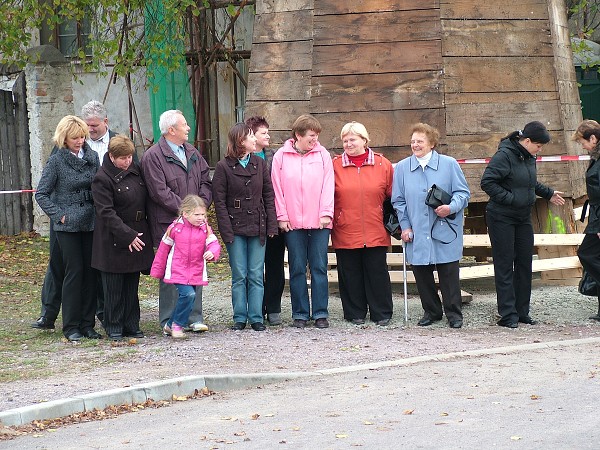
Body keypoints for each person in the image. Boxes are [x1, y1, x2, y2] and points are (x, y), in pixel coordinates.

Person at [32, 100, 117, 330]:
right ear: (64, 139)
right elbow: (41, 194)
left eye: (82, 137)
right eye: (75, 138)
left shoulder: (93, 157)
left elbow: (99, 186)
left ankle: (87, 324)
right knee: (73, 272)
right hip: (68, 226)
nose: (80, 141)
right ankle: (71, 326)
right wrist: (59, 216)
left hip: (90, 222)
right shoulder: (57, 160)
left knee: (90, 272)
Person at [481, 121, 565, 328]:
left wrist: (548, 193)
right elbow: (487, 182)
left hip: (522, 217)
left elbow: (529, 182)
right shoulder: (504, 155)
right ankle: (508, 314)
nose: (540, 150)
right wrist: (511, 199)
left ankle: (522, 312)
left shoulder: (528, 157)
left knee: (524, 263)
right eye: (538, 146)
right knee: (504, 264)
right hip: (501, 216)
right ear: (527, 141)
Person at [392, 123, 470, 329]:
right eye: (413, 141)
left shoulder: (449, 164)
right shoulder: (401, 168)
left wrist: (451, 207)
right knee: (421, 274)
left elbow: (463, 194)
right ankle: (432, 311)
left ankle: (454, 313)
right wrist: (405, 227)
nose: (415, 145)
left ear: (432, 144)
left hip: (445, 229)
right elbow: (398, 201)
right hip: (417, 231)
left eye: (420, 141)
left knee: (448, 273)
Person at [140, 109, 212, 333]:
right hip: (168, 224)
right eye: (184, 124)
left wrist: (200, 209)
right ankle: (169, 321)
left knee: (195, 266)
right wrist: (187, 212)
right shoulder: (153, 156)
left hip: (195, 224)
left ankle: (194, 318)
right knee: (171, 272)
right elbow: (159, 191)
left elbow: (205, 181)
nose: (188, 128)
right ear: (171, 130)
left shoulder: (191, 152)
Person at [271, 114, 334, 329]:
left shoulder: (323, 155)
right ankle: (299, 313)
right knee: (297, 268)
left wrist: (326, 213)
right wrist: (282, 216)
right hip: (292, 223)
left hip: (319, 222)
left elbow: (328, 186)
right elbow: (276, 189)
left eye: (316, 136)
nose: (314, 140)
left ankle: (320, 313)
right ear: (298, 135)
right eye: (311, 136)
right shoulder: (280, 156)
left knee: (319, 267)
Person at [212, 123, 278, 331]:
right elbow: (219, 202)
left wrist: (271, 226)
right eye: (250, 136)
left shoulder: (260, 164)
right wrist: (226, 231)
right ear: (240, 140)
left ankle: (256, 317)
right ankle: (240, 317)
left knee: (256, 273)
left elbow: (269, 196)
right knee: (240, 274)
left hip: (257, 226)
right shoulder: (223, 167)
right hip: (235, 227)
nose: (253, 139)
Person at [91, 135, 155, 341]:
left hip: (137, 232)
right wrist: (127, 235)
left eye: (129, 157)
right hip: (114, 239)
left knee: (131, 284)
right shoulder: (102, 178)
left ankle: (131, 323)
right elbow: (106, 212)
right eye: (122, 158)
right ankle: (113, 325)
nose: (127, 161)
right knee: (113, 288)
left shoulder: (136, 172)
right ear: (111, 156)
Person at [331, 122, 394, 326]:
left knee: (377, 272)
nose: (348, 144)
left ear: (365, 140)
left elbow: (393, 196)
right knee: (349, 273)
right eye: (345, 140)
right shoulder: (334, 165)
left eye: (353, 139)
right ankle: (354, 312)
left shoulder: (382, 164)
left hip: (375, 228)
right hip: (345, 227)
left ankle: (381, 312)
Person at [150, 195, 221, 338]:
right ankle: (177, 326)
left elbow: (214, 244)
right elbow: (163, 250)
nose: (201, 217)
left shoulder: (205, 229)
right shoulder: (174, 228)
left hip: (195, 270)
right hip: (178, 269)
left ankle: (169, 326)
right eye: (197, 214)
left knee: (189, 298)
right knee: (188, 294)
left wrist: (211, 253)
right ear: (185, 214)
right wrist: (158, 270)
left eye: (203, 214)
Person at [245, 115, 285, 326]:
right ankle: (256, 307)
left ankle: (274, 306)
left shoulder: (276, 157)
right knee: (253, 266)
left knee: (274, 263)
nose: (268, 136)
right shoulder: (240, 158)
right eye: (263, 132)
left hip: (274, 217)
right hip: (251, 220)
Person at [572, 119, 600, 321]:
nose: (582, 146)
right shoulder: (596, 157)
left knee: (587, 253)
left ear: (593, 138)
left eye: (583, 141)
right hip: (596, 214)